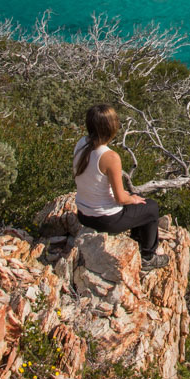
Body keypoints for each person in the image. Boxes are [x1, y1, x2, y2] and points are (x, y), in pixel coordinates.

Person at [73, 103, 169, 272]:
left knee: (137, 202)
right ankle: (148, 256)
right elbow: (120, 199)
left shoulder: (82, 143)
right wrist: (132, 198)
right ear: (111, 128)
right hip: (104, 220)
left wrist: (129, 197)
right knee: (151, 207)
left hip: (83, 214)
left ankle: (137, 238)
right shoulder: (110, 156)